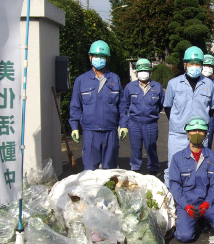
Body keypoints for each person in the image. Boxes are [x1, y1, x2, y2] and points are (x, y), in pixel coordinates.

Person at [169, 117, 214, 242]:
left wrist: (206, 203)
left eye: (201, 131)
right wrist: (186, 206)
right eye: (193, 131)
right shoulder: (177, 158)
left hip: (206, 204)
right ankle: (193, 223)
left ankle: (205, 220)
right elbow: (175, 185)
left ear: (205, 134)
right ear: (187, 133)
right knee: (184, 236)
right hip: (187, 205)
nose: (197, 134)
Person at [163, 46, 214, 187]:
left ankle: (196, 198)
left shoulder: (209, 84)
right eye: (191, 63)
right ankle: (172, 198)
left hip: (200, 135)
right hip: (178, 134)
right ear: (185, 65)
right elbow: (168, 107)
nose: (195, 67)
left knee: (200, 168)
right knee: (174, 168)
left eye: (198, 64)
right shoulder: (173, 84)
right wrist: (179, 122)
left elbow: (212, 109)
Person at [69, 40, 127, 170]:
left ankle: (109, 190)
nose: (99, 59)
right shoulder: (81, 81)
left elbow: (122, 105)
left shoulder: (114, 79)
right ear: (90, 57)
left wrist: (123, 125)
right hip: (90, 132)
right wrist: (74, 127)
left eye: (102, 57)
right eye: (96, 56)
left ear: (107, 59)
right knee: (90, 170)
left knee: (110, 170)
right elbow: (75, 106)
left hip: (110, 131)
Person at [123, 58, 164, 175]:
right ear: (136, 73)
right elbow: (125, 105)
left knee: (151, 149)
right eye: (141, 71)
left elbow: (160, 105)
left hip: (150, 124)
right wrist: (125, 124)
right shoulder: (130, 87)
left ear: (150, 72)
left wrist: (151, 114)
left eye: (146, 70)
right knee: (135, 150)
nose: (143, 73)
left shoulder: (157, 87)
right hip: (134, 124)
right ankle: (135, 173)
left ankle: (153, 172)